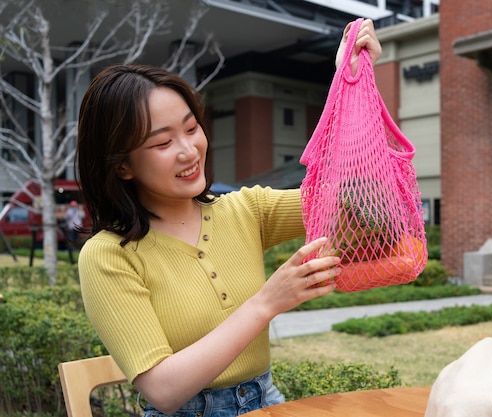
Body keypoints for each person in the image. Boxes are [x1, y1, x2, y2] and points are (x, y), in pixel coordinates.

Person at [76, 19, 381, 417]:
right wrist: (267, 302)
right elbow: (164, 391)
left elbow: (355, 194)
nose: (189, 151)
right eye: (163, 142)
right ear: (122, 166)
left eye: (192, 128)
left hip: (265, 402)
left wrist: (351, 84)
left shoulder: (246, 210)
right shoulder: (109, 256)